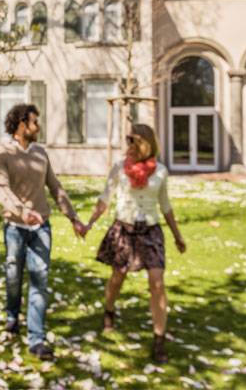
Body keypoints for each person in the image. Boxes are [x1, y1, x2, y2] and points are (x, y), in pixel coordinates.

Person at [81, 124, 186, 364]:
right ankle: (109, 309)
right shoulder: (119, 168)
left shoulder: (160, 171)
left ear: (147, 144)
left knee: (157, 282)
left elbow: (165, 205)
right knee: (118, 277)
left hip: (150, 232)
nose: (130, 146)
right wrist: (89, 223)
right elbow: (104, 199)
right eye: (128, 140)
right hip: (124, 230)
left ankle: (159, 341)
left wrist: (177, 235)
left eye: (134, 141)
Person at [0, 104, 86, 361]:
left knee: (39, 280)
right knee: (13, 276)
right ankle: (12, 316)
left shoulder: (41, 154)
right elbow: (1, 188)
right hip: (15, 227)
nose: (38, 126)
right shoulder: (2, 154)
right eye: (35, 122)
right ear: (22, 125)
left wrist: (73, 218)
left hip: (41, 227)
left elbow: (55, 188)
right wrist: (21, 211)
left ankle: (36, 339)